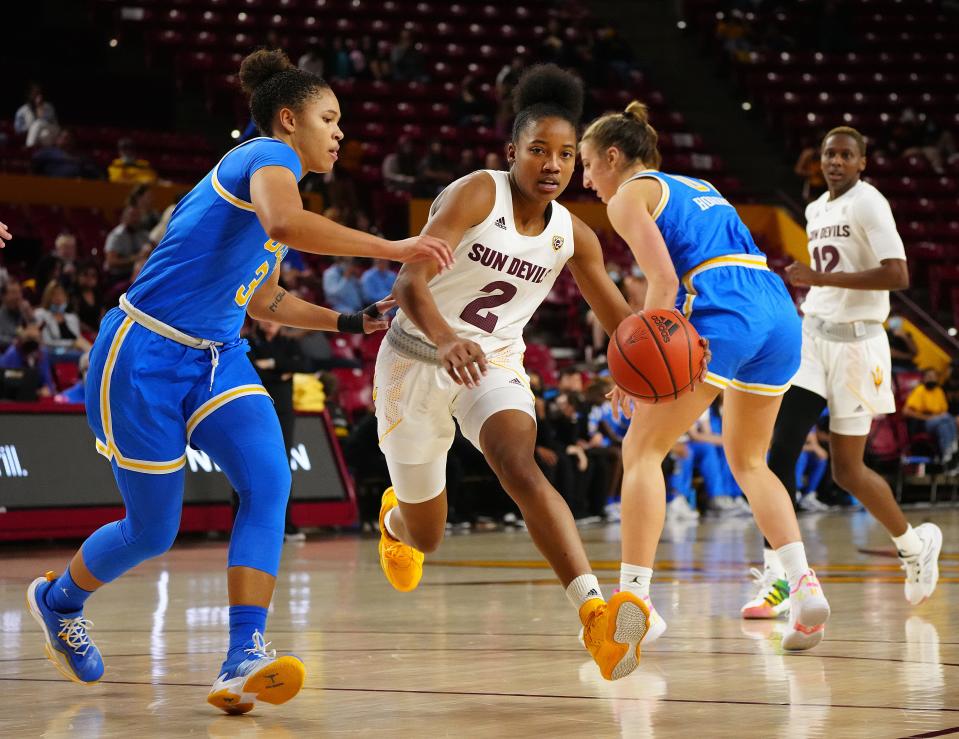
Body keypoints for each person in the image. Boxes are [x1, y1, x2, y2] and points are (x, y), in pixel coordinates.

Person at [24, 49, 451, 714]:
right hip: (144, 353)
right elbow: (285, 225)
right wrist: (394, 247)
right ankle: (59, 601)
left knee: (268, 480)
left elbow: (265, 301)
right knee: (152, 530)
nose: (340, 132)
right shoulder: (267, 160)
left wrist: (347, 319)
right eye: (329, 118)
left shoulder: (279, 186)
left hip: (218, 354)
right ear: (288, 120)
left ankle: (240, 656)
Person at [373, 65, 651, 682]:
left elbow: (617, 318)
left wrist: (642, 365)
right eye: (539, 151)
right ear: (512, 152)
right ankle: (394, 518)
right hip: (417, 353)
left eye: (565, 155)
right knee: (427, 536)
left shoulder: (575, 236)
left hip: (492, 358)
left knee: (519, 463)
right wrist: (445, 340)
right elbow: (409, 281)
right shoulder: (476, 194)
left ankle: (596, 618)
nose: (552, 165)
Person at [580, 100, 830, 651]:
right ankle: (803, 583)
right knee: (750, 461)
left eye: (587, 163)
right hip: (779, 313)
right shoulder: (696, 183)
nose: (585, 178)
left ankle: (636, 599)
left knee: (641, 451)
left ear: (613, 156)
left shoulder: (628, 196)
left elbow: (664, 284)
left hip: (724, 307)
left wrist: (634, 367)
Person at [744, 127, 942, 619]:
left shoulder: (869, 204)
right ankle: (782, 577)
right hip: (815, 336)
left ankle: (914, 549)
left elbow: (898, 275)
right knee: (779, 450)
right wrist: (812, 288)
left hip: (860, 347)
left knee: (847, 470)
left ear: (862, 162)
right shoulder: (815, 209)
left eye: (846, 154)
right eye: (830, 153)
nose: (835, 161)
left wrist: (820, 278)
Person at [903, 368, 958, 464]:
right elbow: (905, 411)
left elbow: (943, 411)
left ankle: (947, 456)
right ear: (924, 379)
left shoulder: (939, 391)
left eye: (933, 377)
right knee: (948, 418)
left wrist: (939, 417)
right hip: (924, 423)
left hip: (940, 421)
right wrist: (927, 418)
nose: (931, 379)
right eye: (929, 376)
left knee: (944, 425)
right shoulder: (920, 390)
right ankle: (953, 446)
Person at [33, 281, 92, 359]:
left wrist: (74, 344)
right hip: (51, 351)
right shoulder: (41, 314)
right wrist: (71, 343)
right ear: (47, 297)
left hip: (72, 351)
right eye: (54, 294)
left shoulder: (72, 317)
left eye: (61, 294)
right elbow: (46, 342)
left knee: (84, 346)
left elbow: (77, 338)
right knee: (81, 345)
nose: (58, 298)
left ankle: (94, 357)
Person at [103, 205, 152, 284]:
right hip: (119, 275)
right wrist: (135, 259)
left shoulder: (143, 234)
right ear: (124, 218)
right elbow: (111, 262)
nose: (136, 219)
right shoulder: (116, 236)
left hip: (139, 272)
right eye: (132, 216)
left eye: (138, 216)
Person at [0, 280, 36, 351]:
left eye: (19, 292)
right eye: (13, 293)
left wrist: (30, 317)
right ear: (3, 297)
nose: (17, 296)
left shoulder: (23, 311)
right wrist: (18, 341)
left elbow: (36, 333)